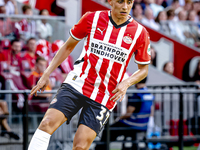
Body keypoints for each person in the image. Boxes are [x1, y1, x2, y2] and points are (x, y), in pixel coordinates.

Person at [28, 0, 151, 150]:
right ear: (110, 1)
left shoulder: (140, 32)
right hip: (77, 83)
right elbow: (67, 46)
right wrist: (46, 73)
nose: (125, 6)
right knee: (46, 124)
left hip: (105, 95)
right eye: (120, 1)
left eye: (129, 2)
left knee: (80, 146)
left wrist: (126, 83)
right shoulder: (91, 18)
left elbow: (144, 69)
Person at [95, 77, 154, 150]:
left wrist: (119, 118)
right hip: (144, 125)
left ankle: (100, 148)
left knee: (109, 130)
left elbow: (128, 114)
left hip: (133, 125)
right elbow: (152, 111)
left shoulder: (137, 95)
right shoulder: (149, 95)